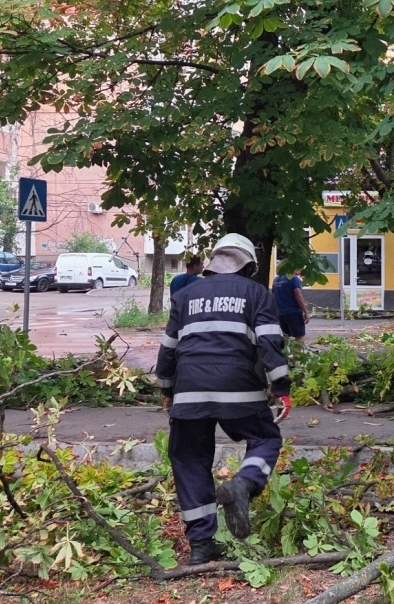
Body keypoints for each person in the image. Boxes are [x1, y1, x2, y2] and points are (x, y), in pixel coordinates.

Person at [155, 233, 292, 565]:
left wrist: (166, 390)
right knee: (264, 437)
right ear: (247, 266)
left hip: (188, 389)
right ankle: (243, 484)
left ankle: (201, 546)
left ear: (214, 262)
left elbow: (168, 349)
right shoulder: (257, 293)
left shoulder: (185, 295)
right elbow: (270, 344)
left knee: (189, 460)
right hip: (239, 386)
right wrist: (282, 388)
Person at [272, 271, 310, 341]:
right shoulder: (294, 279)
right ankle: (297, 352)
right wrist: (306, 312)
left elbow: (273, 296)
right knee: (299, 337)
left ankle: (286, 352)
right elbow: (298, 296)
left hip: (280, 313)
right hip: (293, 313)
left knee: (285, 338)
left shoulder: (276, 280)